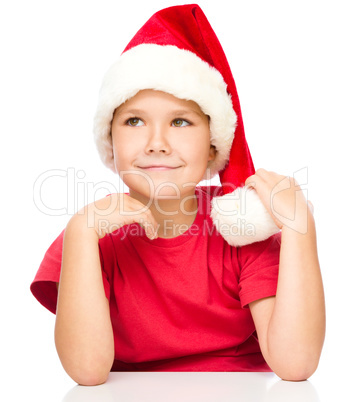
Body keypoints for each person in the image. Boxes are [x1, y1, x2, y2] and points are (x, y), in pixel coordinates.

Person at [30, 4, 325, 386]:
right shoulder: (92, 235)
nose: (156, 143)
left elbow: (296, 364)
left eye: (180, 121)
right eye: (134, 120)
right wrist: (82, 235)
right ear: (110, 140)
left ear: (213, 145)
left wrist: (300, 231)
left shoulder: (241, 228)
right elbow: (87, 372)